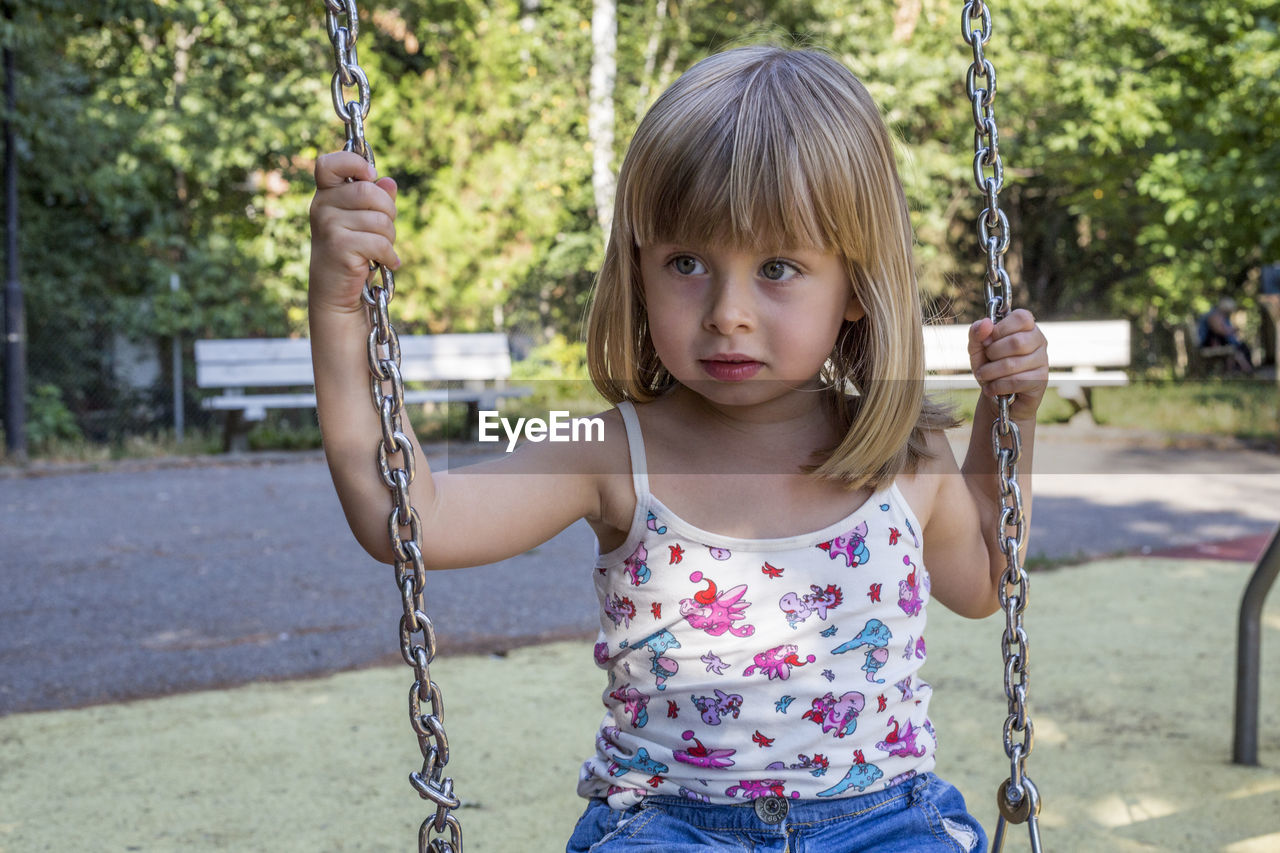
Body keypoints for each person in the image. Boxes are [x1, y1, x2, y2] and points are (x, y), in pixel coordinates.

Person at [309, 45, 1048, 853]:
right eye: (687, 263)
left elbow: (983, 586)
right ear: (639, 272)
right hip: (668, 826)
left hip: (886, 822)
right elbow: (413, 519)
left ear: (857, 289)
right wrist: (342, 314)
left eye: (777, 267)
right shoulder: (609, 449)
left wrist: (1008, 418)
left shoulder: (906, 454)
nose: (728, 311)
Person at [1199, 297, 1254, 374]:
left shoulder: (1221, 315)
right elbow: (1220, 331)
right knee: (1238, 349)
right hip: (1210, 343)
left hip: (1219, 341)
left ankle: (1241, 371)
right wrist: (1233, 330)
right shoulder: (1213, 315)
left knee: (1241, 347)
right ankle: (1246, 371)